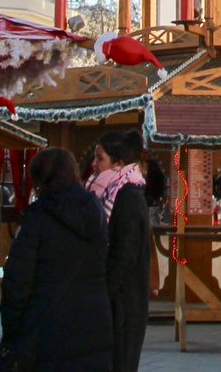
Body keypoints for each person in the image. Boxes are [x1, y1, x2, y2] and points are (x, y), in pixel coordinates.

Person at [1, 147, 113, 372]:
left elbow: (17, 281)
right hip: (94, 323)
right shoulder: (96, 213)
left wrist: (12, 331)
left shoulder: (37, 217)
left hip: (48, 328)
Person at [88, 131, 151, 372]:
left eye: (99, 158)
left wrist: (104, 293)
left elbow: (124, 254)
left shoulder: (128, 197)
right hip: (117, 299)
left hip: (123, 303)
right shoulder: (111, 194)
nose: (94, 164)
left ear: (119, 164)